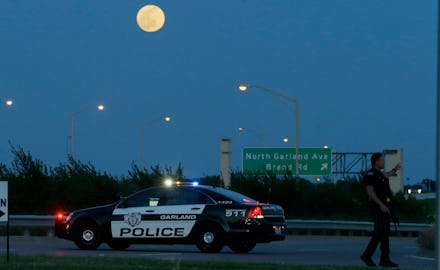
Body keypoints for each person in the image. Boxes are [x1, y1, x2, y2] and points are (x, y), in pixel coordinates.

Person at [360, 152, 401, 268]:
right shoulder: (371, 174)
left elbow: (386, 175)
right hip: (377, 208)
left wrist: (395, 169)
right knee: (379, 233)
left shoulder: (379, 174)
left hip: (385, 208)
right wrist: (380, 204)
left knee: (385, 234)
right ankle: (367, 256)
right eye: (382, 160)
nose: (383, 162)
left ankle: (385, 260)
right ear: (376, 162)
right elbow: (370, 191)